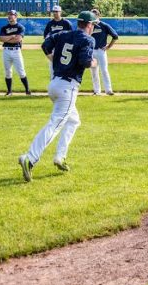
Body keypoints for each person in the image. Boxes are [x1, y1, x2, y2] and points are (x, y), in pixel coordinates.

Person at [18, 11, 98, 181]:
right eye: (93, 24)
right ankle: (30, 158)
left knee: (74, 121)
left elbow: (45, 45)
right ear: (89, 25)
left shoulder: (63, 34)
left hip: (54, 84)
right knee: (55, 125)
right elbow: (85, 61)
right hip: (67, 88)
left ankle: (60, 157)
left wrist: (53, 59)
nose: (93, 27)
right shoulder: (88, 39)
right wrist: (93, 62)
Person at [0, 10, 30, 96]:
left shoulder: (20, 27)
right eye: (8, 15)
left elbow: (18, 39)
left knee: (21, 71)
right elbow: (1, 39)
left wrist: (7, 38)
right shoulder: (4, 28)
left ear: (16, 16)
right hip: (6, 51)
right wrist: (12, 36)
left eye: (11, 15)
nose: (9, 16)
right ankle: (9, 91)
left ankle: (27, 90)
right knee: (7, 71)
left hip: (16, 51)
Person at [88, 8, 119, 95]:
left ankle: (108, 90)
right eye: (92, 15)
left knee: (104, 70)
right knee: (94, 71)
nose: (93, 16)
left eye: (95, 15)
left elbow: (115, 36)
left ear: (99, 15)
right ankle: (96, 91)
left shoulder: (104, 25)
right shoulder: (89, 26)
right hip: (92, 51)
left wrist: (108, 46)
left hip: (101, 51)